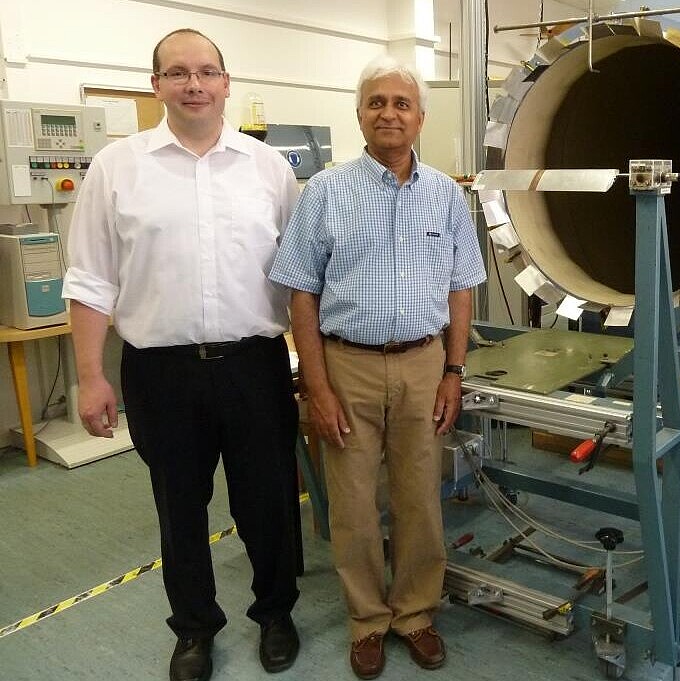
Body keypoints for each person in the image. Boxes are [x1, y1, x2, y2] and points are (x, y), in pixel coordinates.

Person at [63, 28, 301, 681]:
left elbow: (301, 277)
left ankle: (276, 612)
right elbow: (89, 279)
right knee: (179, 510)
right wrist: (89, 375)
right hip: (159, 372)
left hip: (255, 363)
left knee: (269, 503)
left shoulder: (269, 169)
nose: (192, 84)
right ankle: (194, 628)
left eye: (205, 72)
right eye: (177, 72)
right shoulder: (117, 167)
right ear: (156, 85)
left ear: (227, 83)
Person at [269, 55, 486, 679]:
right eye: (376, 103)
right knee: (354, 503)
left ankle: (416, 613)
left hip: (423, 364)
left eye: (401, 104)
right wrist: (318, 387)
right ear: (359, 114)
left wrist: (453, 369)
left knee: (421, 497)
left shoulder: (447, 195)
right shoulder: (325, 193)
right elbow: (299, 294)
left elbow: (462, 290)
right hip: (348, 368)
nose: (389, 113)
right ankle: (367, 620)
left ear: (420, 117)